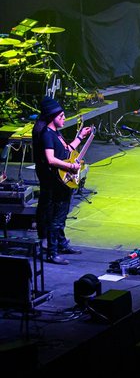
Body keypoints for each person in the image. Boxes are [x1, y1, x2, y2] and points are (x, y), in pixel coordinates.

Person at [33, 97, 92, 265]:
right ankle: (52, 253)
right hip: (55, 181)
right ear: (54, 117)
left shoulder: (56, 134)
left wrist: (81, 137)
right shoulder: (46, 134)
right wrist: (70, 168)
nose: (65, 119)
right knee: (56, 218)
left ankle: (61, 244)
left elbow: (67, 150)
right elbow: (50, 159)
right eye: (62, 116)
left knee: (62, 215)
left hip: (63, 180)